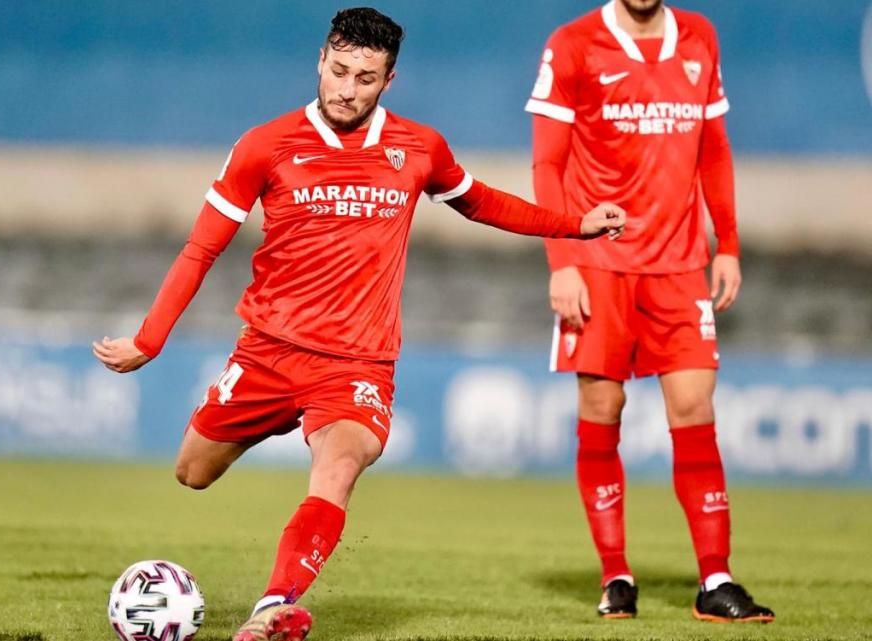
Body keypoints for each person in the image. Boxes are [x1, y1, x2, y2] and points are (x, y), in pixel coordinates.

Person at [93, 7, 625, 640]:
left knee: (338, 467)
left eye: (365, 78)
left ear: (389, 80)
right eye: (340, 71)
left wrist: (574, 225)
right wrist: (150, 339)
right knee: (192, 471)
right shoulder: (265, 145)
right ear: (320, 60)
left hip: (356, 365)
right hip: (267, 352)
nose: (347, 89)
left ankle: (273, 608)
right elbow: (201, 248)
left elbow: (482, 203)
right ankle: (281, 425)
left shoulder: (419, 148)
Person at [526, 0, 773, 623]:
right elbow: (548, 163)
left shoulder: (699, 37)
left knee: (695, 406)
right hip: (598, 263)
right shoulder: (574, 44)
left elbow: (713, 149)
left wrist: (728, 243)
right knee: (602, 407)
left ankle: (715, 579)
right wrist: (562, 261)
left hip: (680, 264)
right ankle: (615, 576)